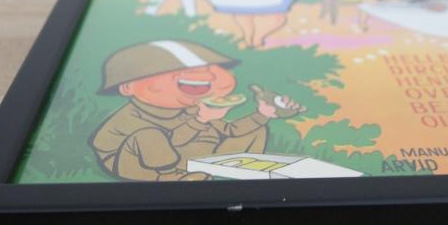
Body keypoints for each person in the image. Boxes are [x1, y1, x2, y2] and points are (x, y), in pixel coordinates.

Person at [90, 40, 305, 181]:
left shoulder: (196, 107)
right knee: (150, 136)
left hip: (191, 157)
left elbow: (231, 131)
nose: (205, 76)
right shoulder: (130, 118)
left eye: (208, 69)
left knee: (256, 129)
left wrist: (262, 114)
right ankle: (171, 178)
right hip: (140, 166)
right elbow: (166, 144)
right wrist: (200, 121)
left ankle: (246, 175)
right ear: (128, 87)